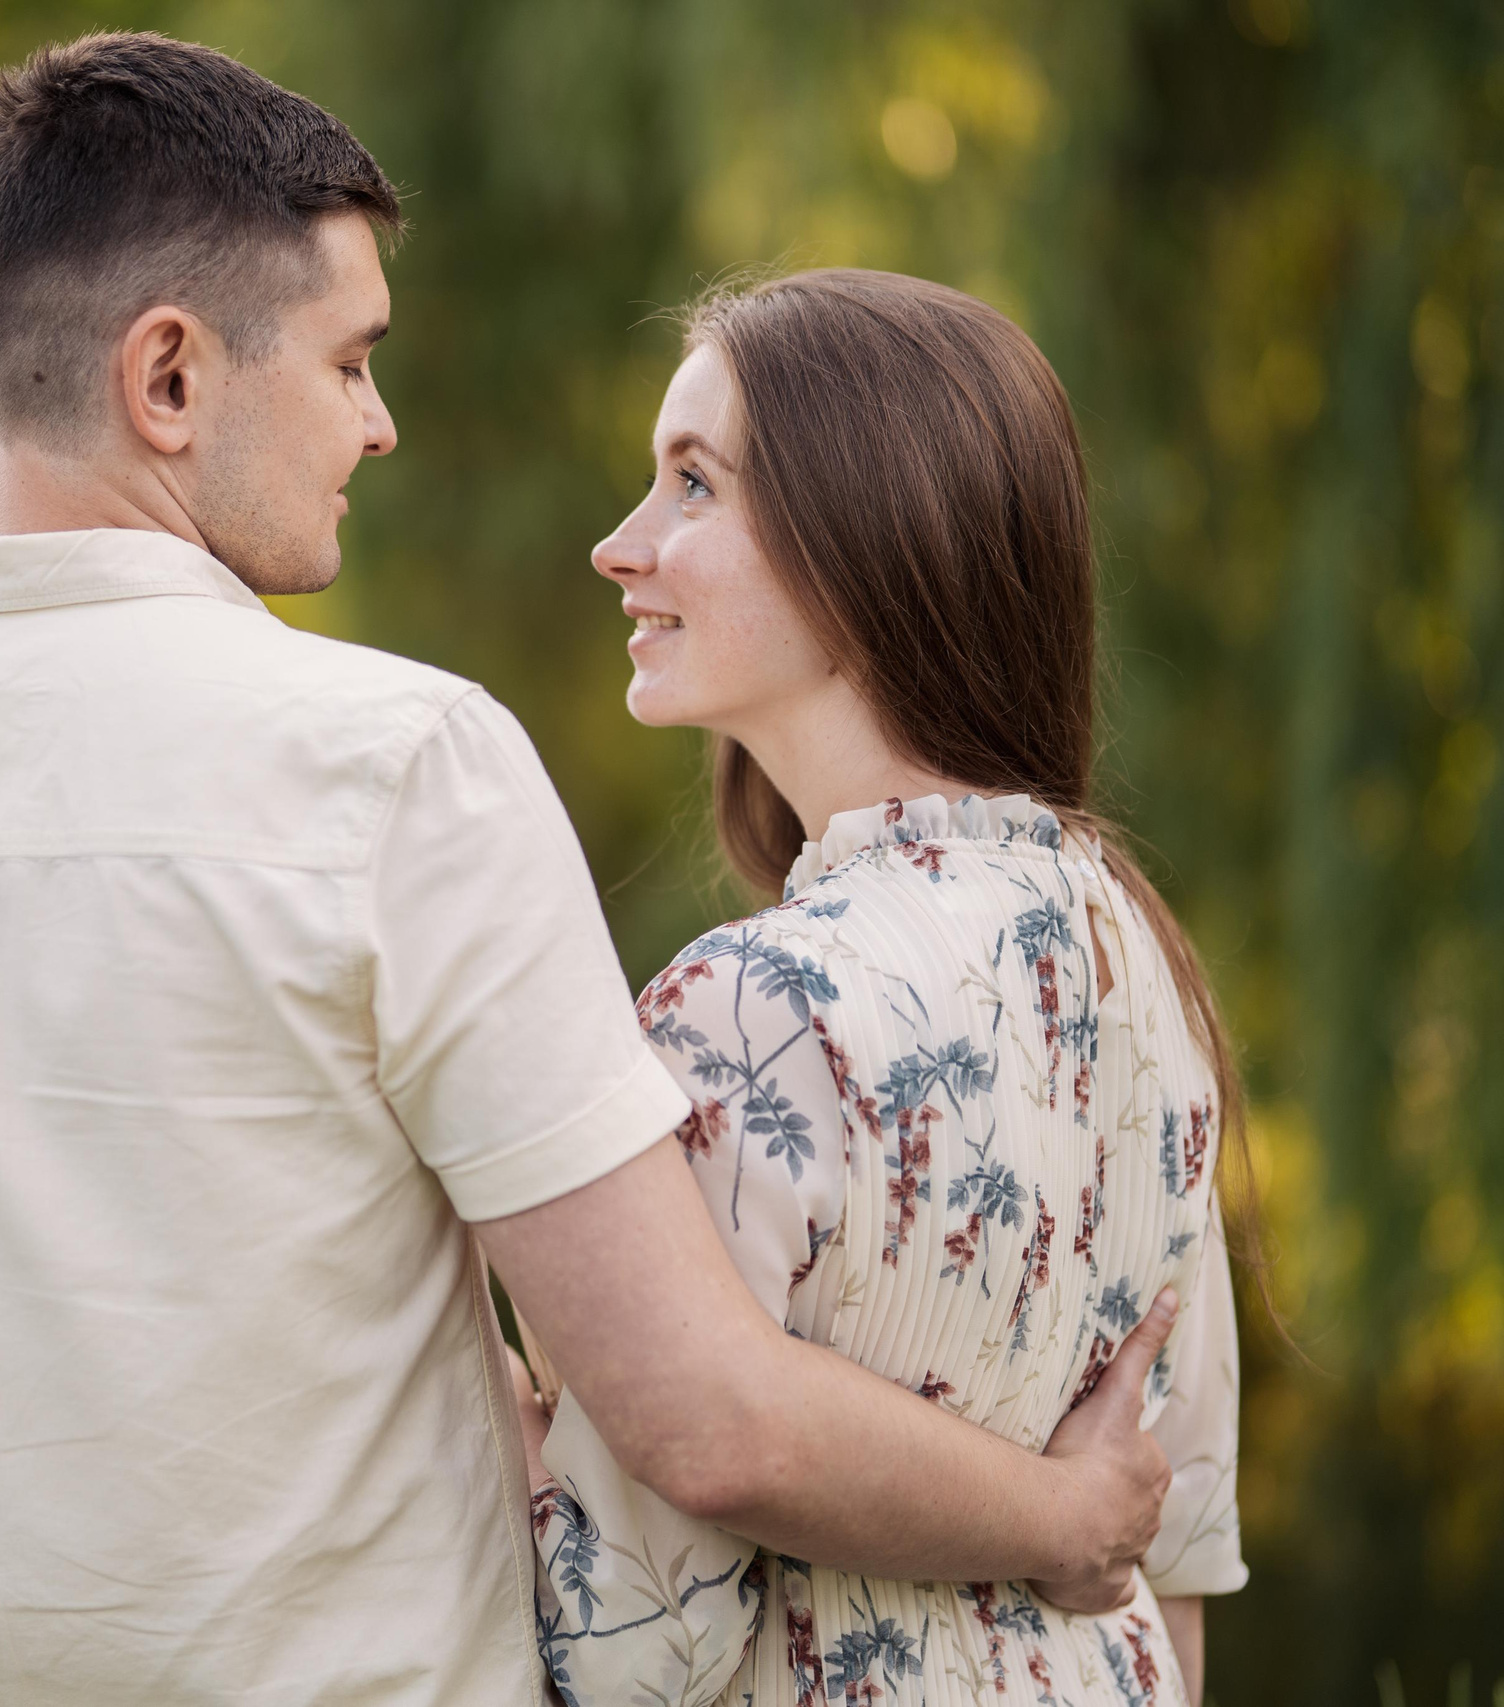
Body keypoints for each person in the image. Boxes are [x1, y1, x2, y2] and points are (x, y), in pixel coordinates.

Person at [0, 35, 1175, 1706]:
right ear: (168, 379)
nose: (379, 428)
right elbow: (705, 1418)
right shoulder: (395, 769)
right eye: (350, 361)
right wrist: (1065, 1515)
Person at [519, 269, 1249, 1707]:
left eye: (691, 487)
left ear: (864, 546)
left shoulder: (751, 1012)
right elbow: (1182, 1538)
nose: (619, 547)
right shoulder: (1134, 956)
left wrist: (503, 1375)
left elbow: (636, 1651)